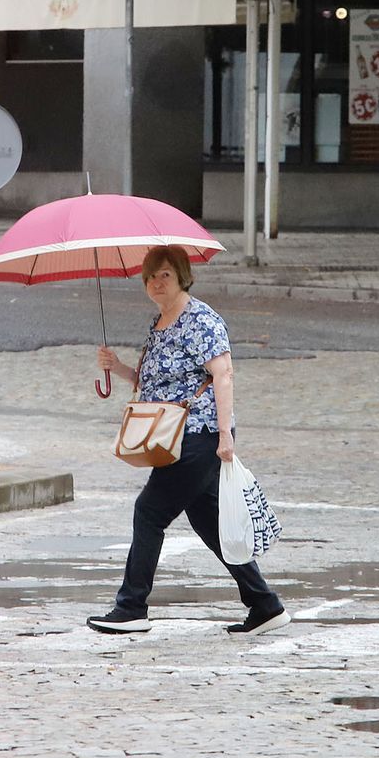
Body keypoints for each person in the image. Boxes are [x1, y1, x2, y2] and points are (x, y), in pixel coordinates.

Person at [88, 245, 290, 636]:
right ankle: (265, 604)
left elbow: (224, 375)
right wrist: (119, 368)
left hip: (200, 433)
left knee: (149, 511)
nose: (156, 282)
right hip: (173, 433)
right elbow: (157, 381)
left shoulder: (201, 319)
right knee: (208, 522)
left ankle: (131, 607)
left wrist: (225, 435)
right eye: (149, 276)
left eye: (164, 274)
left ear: (182, 275)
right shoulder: (160, 321)